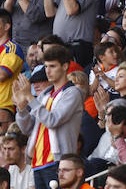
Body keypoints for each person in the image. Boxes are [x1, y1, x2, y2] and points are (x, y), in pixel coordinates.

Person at [14, 44, 84, 189]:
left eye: (52, 66)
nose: (48, 71)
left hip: (58, 162)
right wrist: (21, 108)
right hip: (38, 162)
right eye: (46, 66)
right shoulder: (45, 95)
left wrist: (29, 97)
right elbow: (27, 128)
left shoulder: (72, 93)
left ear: (65, 66)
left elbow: (52, 120)